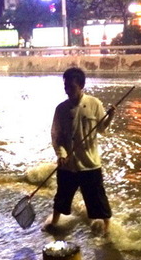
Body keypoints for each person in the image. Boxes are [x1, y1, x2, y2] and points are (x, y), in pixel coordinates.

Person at [44, 67, 115, 236]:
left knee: (98, 199)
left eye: (71, 87)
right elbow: (56, 136)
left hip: (90, 164)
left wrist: (110, 117)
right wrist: (61, 154)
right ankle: (53, 224)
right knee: (62, 197)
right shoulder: (60, 109)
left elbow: (102, 129)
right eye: (65, 86)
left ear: (81, 85)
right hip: (68, 164)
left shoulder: (94, 103)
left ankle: (108, 230)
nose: (67, 90)